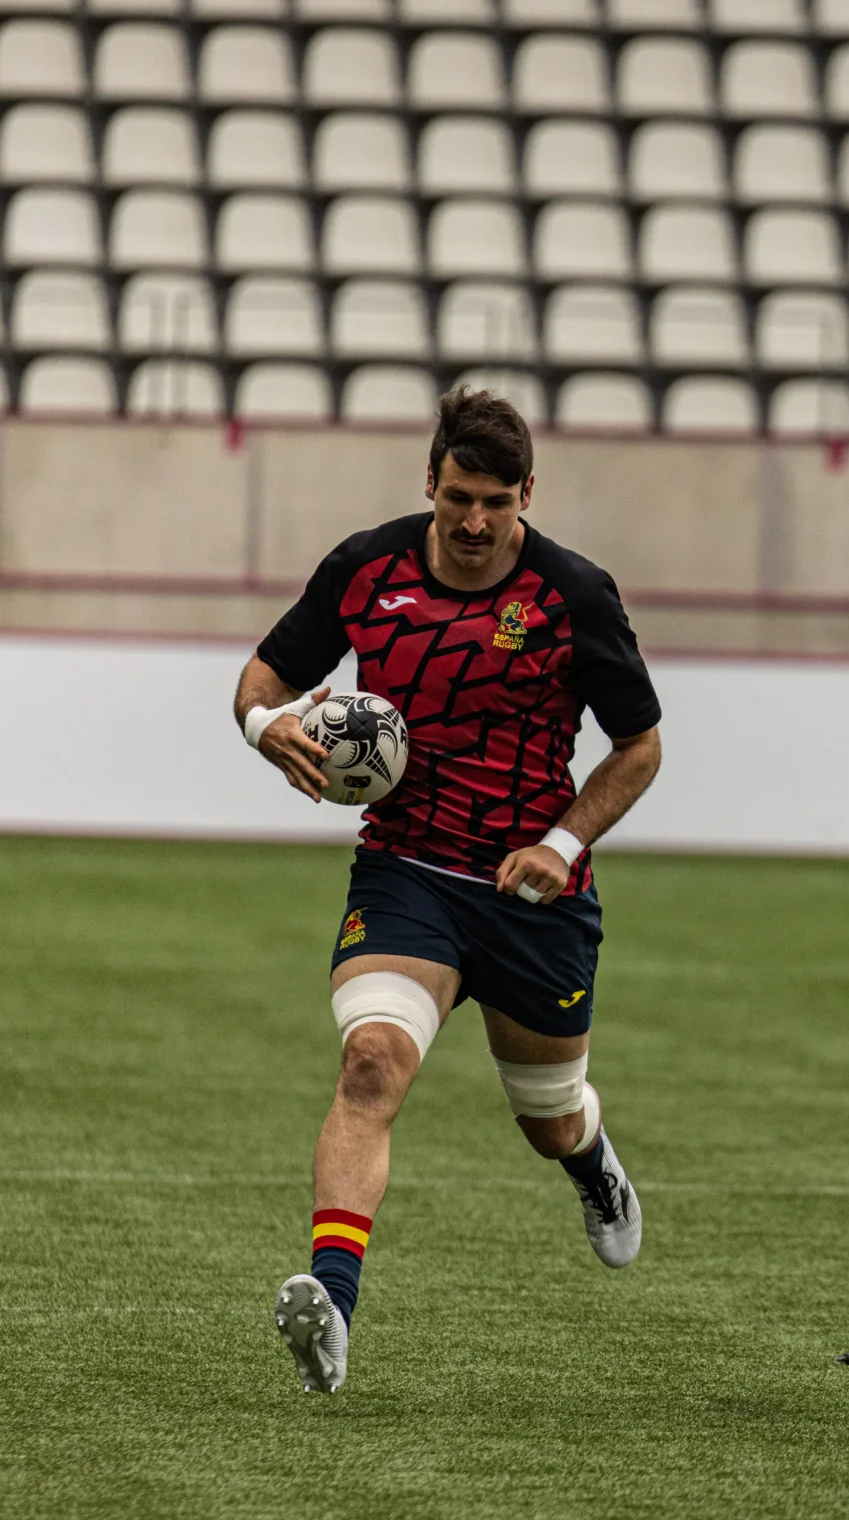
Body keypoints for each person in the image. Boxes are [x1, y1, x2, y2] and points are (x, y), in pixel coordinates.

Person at [235, 388, 664, 1395]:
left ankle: (589, 1158)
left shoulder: (572, 593)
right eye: (460, 497)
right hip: (406, 870)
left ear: (527, 496)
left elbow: (639, 745)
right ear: (430, 482)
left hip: (530, 893)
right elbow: (260, 678)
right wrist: (269, 730)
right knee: (372, 1064)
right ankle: (332, 1308)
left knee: (546, 1115)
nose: (476, 522)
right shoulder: (365, 569)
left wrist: (561, 842)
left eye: (498, 503)